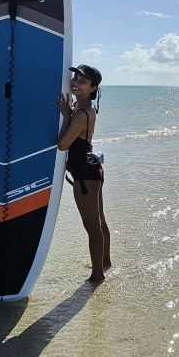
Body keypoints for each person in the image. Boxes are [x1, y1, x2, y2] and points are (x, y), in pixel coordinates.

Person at [56, 64, 111, 283]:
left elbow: (62, 145)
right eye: (75, 77)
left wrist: (67, 115)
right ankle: (105, 263)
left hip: (85, 174)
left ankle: (97, 275)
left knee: (92, 226)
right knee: (100, 222)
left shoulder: (80, 113)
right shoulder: (87, 108)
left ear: (93, 87)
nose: (76, 82)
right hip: (92, 168)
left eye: (83, 80)